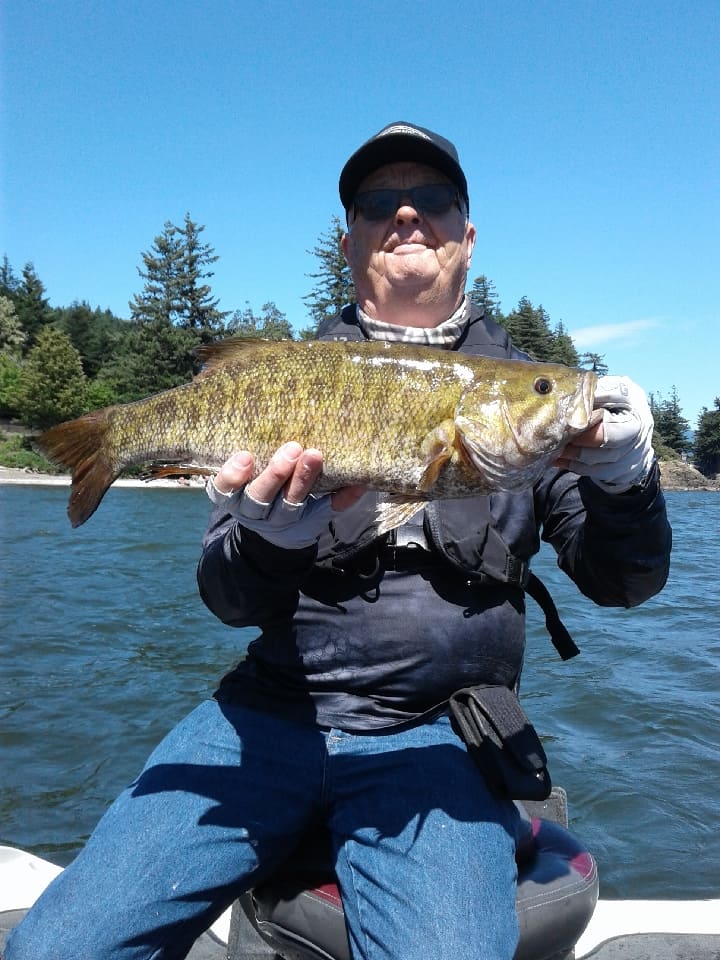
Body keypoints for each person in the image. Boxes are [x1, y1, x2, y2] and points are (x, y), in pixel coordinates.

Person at [5, 121, 672, 960]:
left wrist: (626, 482)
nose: (405, 216)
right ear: (350, 238)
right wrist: (267, 539)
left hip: (441, 736)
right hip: (268, 713)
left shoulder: (528, 409)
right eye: (376, 204)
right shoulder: (294, 369)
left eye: (432, 200)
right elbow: (226, 599)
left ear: (468, 237)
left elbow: (626, 583)